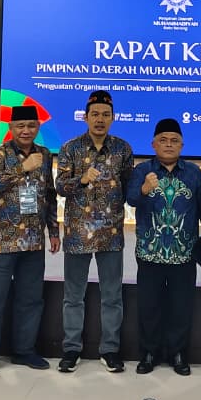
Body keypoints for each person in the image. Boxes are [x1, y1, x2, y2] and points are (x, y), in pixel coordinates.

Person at [125, 117, 201, 376]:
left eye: (174, 141)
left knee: (181, 306)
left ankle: (178, 353)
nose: (169, 144)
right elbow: (130, 199)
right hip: (150, 252)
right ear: (153, 144)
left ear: (182, 145)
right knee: (149, 306)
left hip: (184, 253)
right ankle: (148, 353)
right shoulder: (143, 170)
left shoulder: (193, 172)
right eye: (163, 140)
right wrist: (144, 189)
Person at [55, 90, 134, 374]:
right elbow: (60, 187)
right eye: (95, 114)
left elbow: (128, 188)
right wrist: (82, 179)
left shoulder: (123, 149)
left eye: (105, 115)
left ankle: (109, 349)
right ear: (86, 117)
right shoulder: (70, 148)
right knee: (73, 296)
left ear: (113, 118)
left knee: (112, 296)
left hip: (110, 234)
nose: (100, 119)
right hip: (77, 233)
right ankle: (71, 349)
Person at [0, 105, 60, 378]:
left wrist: (54, 231)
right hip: (0, 241)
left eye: (31, 126)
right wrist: (22, 168)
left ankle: (24, 351)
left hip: (33, 241)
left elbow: (49, 194)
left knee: (31, 300)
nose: (26, 131)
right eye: (20, 126)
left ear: (38, 127)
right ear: (11, 128)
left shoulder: (45, 154)